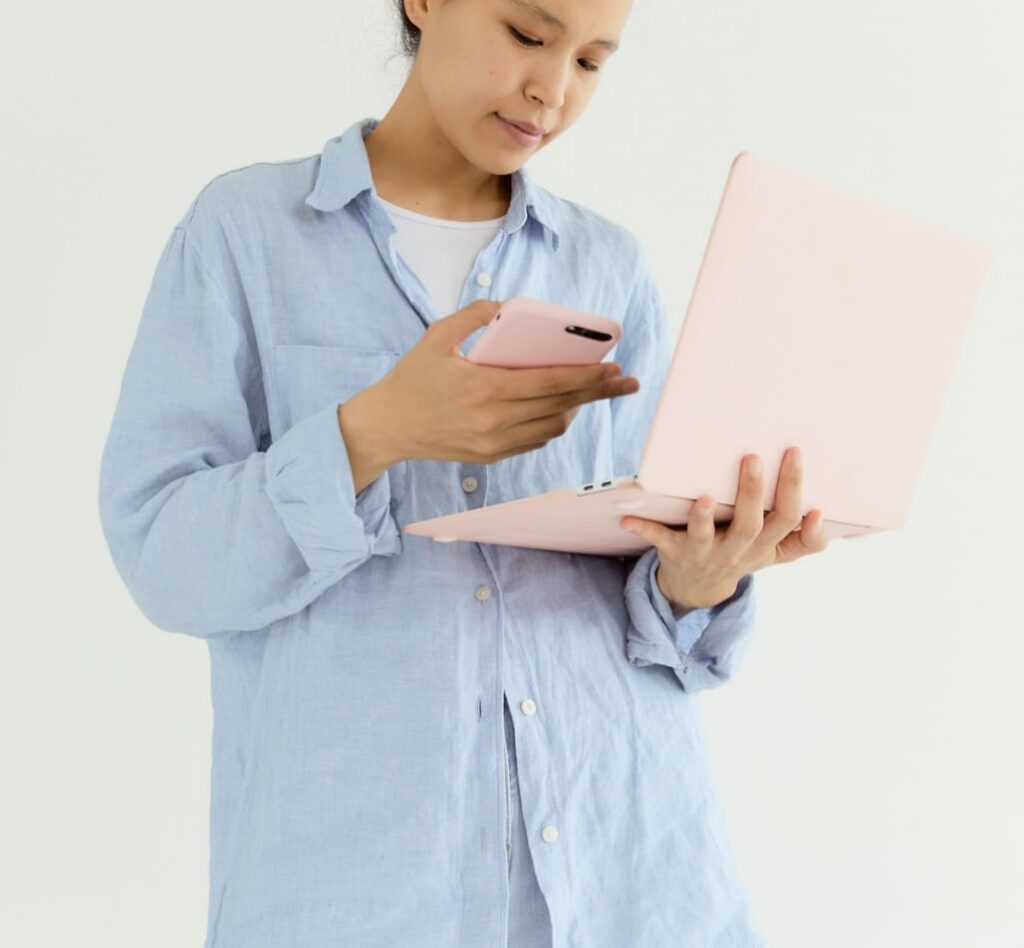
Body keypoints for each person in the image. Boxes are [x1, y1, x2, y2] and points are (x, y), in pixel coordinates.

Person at [97, 1, 830, 945]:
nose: (552, 90)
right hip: (356, 892)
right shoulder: (245, 235)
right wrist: (371, 434)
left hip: (627, 876)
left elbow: (651, 590)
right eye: (528, 35)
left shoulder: (606, 266)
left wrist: (700, 578)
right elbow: (165, 560)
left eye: (592, 62)